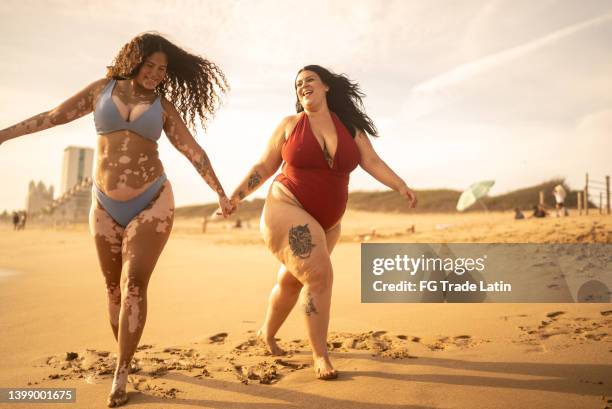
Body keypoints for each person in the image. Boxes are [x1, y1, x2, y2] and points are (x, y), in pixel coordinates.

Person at [0, 32, 232, 407]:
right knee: (112, 290)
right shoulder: (102, 90)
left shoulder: (162, 106)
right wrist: (4, 135)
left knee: (134, 283)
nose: (156, 73)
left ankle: (121, 371)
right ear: (134, 60)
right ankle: (127, 354)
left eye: (163, 69)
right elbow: (52, 116)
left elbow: (194, 152)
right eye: (150, 65)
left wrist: (220, 192)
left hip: (152, 200)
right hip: (104, 204)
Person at [226, 65, 417, 380]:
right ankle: (320, 355)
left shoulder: (350, 128)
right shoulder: (290, 125)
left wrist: (400, 185)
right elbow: (264, 164)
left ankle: (266, 334)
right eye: (298, 84)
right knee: (318, 275)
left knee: (292, 280)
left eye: (309, 80)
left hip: (329, 222)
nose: (303, 86)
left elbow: (371, 161)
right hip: (286, 205)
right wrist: (236, 197)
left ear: (326, 86)